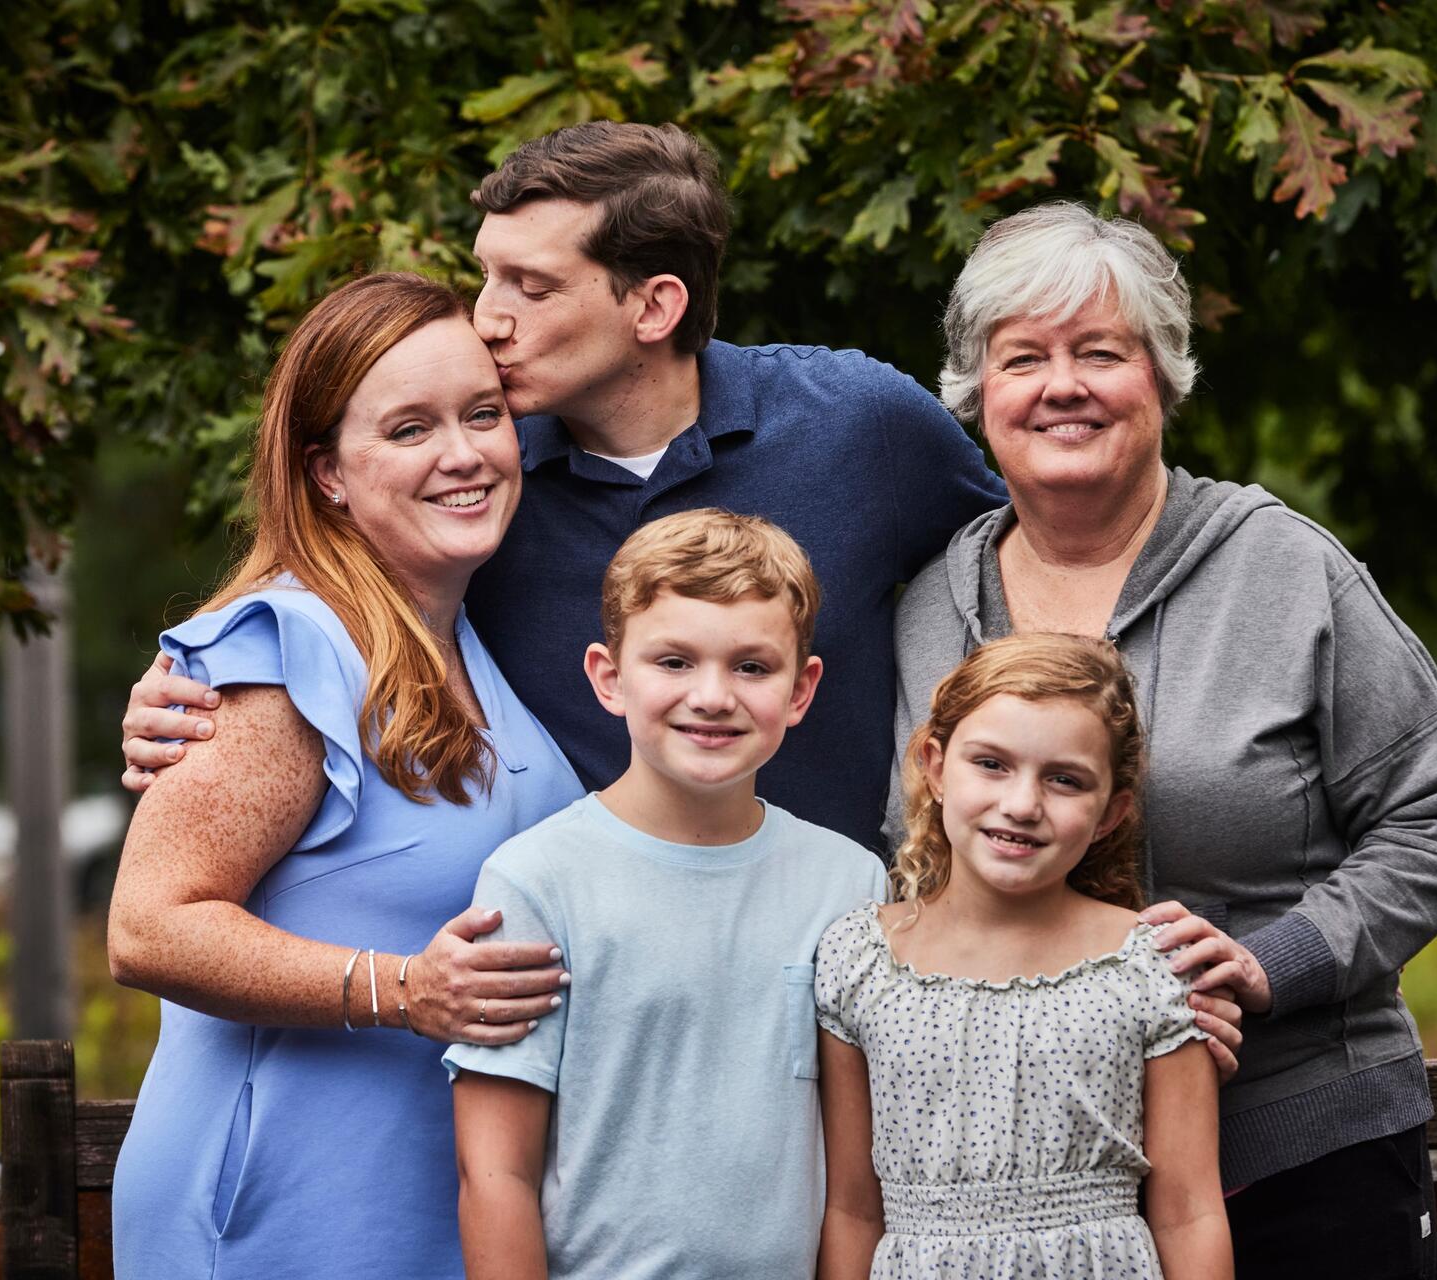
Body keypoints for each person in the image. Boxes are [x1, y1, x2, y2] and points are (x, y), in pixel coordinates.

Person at [119, 121, 1007, 853]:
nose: (486, 317)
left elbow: (1025, 571)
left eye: (530, 287)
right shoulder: (476, 482)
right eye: (486, 275)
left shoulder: (860, 424)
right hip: (581, 981)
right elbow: (324, 592)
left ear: (653, 308)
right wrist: (195, 682)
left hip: (843, 948)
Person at [891, 202, 1437, 1279]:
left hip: (1301, 1147)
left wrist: (1277, 961)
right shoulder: (932, 604)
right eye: (1023, 356)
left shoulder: (1287, 568)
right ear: (977, 394)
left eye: (1101, 352)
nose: (1061, 384)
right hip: (1039, 1188)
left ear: (1162, 376)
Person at [104, 273, 582, 1279]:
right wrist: (404, 987)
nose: (462, 453)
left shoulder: (469, 642)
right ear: (328, 473)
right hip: (282, 1204)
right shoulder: (288, 648)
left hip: (431, 1199)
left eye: (483, 414)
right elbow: (148, 925)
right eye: (409, 428)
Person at [446, 510, 890, 1280]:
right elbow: (495, 1176)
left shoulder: (851, 886)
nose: (713, 696)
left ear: (801, 689)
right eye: (674, 662)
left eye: (752, 667)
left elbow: (854, 1192)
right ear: (609, 678)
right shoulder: (535, 881)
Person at [818, 633, 1231, 1280]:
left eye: (1065, 780)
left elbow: (1189, 1212)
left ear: (1110, 813)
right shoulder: (860, 959)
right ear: (935, 764)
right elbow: (852, 1210)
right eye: (991, 764)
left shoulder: (1150, 964)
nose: (1022, 804)